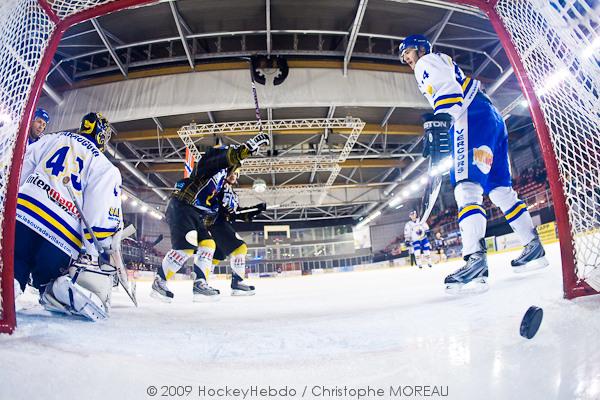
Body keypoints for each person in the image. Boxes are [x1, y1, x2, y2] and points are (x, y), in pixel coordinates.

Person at [399, 35, 548, 294]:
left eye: (408, 53)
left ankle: (474, 260)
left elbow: (449, 94)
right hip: (490, 117)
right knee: (501, 190)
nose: (407, 60)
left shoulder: (427, 62)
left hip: (470, 117)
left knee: (466, 188)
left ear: (421, 48)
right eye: (404, 58)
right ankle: (533, 247)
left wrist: (440, 122)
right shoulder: (440, 60)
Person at [15, 112, 122, 320]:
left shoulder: (51, 138)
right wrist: (93, 251)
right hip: (60, 232)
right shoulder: (103, 165)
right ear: (102, 136)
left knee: (15, 265)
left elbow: (22, 167)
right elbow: (96, 215)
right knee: (49, 277)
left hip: (24, 214)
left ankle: (10, 286)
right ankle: (55, 290)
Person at [150, 133, 269, 302]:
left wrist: (252, 210)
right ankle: (159, 281)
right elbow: (225, 157)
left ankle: (200, 283)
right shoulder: (212, 163)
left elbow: (229, 210)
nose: (235, 173)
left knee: (208, 244)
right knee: (185, 248)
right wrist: (248, 148)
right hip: (182, 205)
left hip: (195, 212)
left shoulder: (221, 183)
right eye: (235, 168)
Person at [209, 167, 266, 296]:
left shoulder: (232, 193)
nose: (233, 175)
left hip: (221, 223)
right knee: (240, 248)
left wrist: (256, 210)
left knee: (218, 255)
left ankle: (202, 282)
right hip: (216, 222)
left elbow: (237, 213)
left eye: (235, 173)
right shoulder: (218, 187)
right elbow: (223, 209)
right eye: (230, 173)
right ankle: (237, 283)